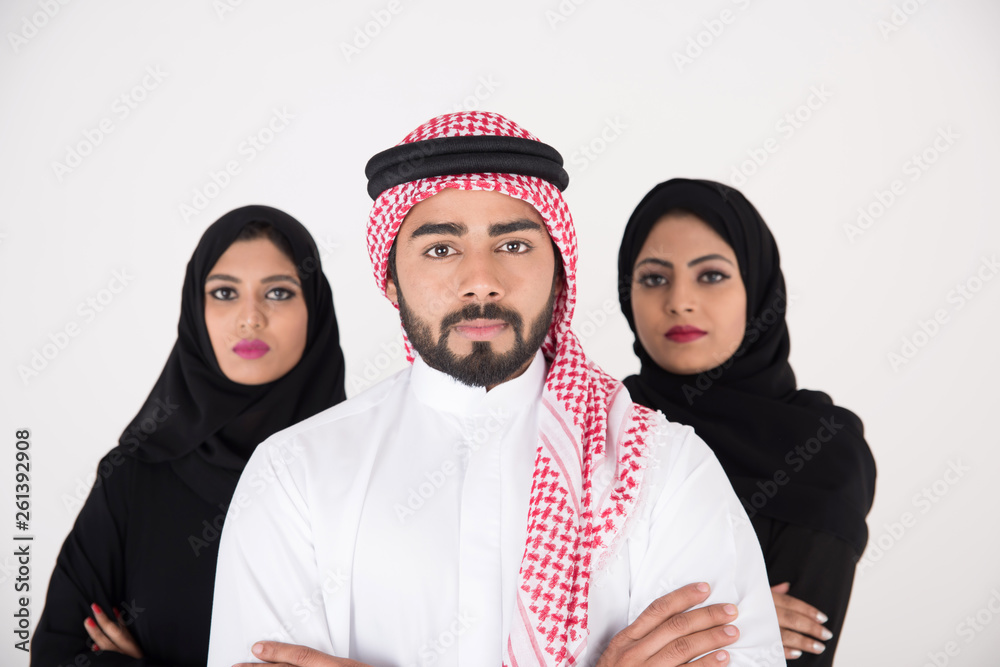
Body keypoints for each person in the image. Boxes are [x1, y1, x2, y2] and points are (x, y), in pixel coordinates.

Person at [207, 112, 784, 667]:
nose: (480, 280)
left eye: (512, 245)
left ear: (558, 271)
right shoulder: (294, 475)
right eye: (440, 248)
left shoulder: (665, 467)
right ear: (389, 278)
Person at [31, 205, 347, 666]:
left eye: (278, 292)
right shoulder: (135, 476)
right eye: (224, 293)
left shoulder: (363, 470)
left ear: (314, 309)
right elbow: (57, 655)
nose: (250, 318)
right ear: (195, 312)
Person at [616, 178, 877, 665]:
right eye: (654, 278)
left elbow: (792, 656)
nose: (679, 300)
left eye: (710, 276)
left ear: (757, 289)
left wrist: (634, 619)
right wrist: (747, 614)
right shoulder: (593, 425)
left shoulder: (823, 449)